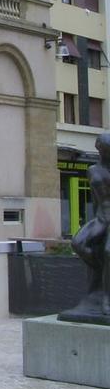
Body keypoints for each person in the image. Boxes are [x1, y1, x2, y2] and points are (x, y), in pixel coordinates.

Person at [71, 132, 110, 314]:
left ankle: (107, 298)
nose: (104, 152)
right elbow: (96, 198)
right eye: (102, 149)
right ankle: (100, 273)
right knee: (78, 243)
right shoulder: (93, 170)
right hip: (101, 217)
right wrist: (94, 221)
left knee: (109, 251)